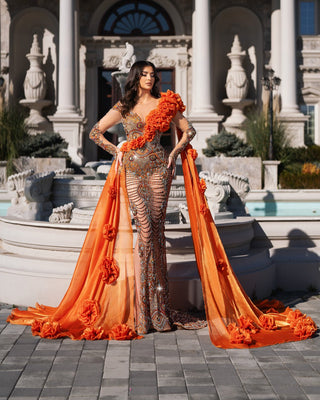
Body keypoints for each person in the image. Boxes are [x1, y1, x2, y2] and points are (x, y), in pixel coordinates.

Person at [7, 61, 317, 348]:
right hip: (132, 170)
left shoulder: (166, 103)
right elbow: (94, 132)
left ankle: (159, 312)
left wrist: (173, 154)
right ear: (135, 78)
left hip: (159, 170)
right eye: (145, 74)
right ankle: (144, 314)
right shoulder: (124, 105)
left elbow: (190, 130)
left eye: (153, 75)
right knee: (143, 233)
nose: (150, 78)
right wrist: (118, 149)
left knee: (155, 232)